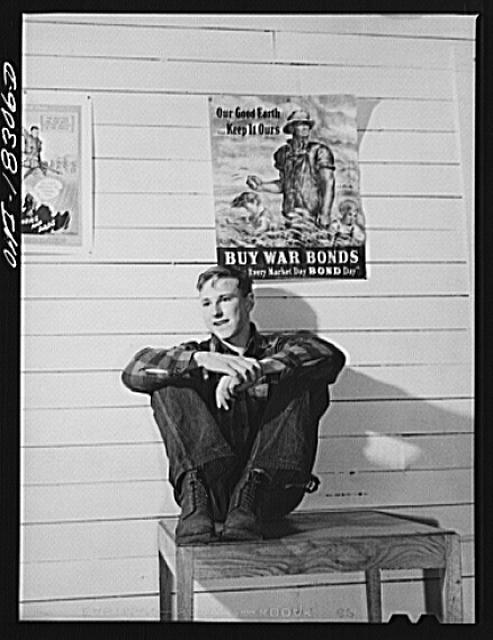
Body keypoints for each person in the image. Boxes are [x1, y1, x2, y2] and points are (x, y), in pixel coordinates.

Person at [121, 265, 345, 545]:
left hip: (271, 496)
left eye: (225, 300)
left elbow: (330, 356)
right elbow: (135, 370)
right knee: (169, 378)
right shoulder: (195, 353)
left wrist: (260, 370)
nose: (215, 312)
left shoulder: (278, 347)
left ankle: (254, 486)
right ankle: (195, 487)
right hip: (210, 500)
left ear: (249, 301)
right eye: (206, 303)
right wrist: (200, 360)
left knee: (303, 375)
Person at [246, 109, 336, 228]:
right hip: (290, 217)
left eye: (307, 125)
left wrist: (325, 213)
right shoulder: (283, 154)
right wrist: (261, 186)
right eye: (300, 124)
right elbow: (284, 184)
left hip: (313, 218)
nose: (305, 128)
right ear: (292, 128)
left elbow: (328, 182)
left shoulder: (320, 152)